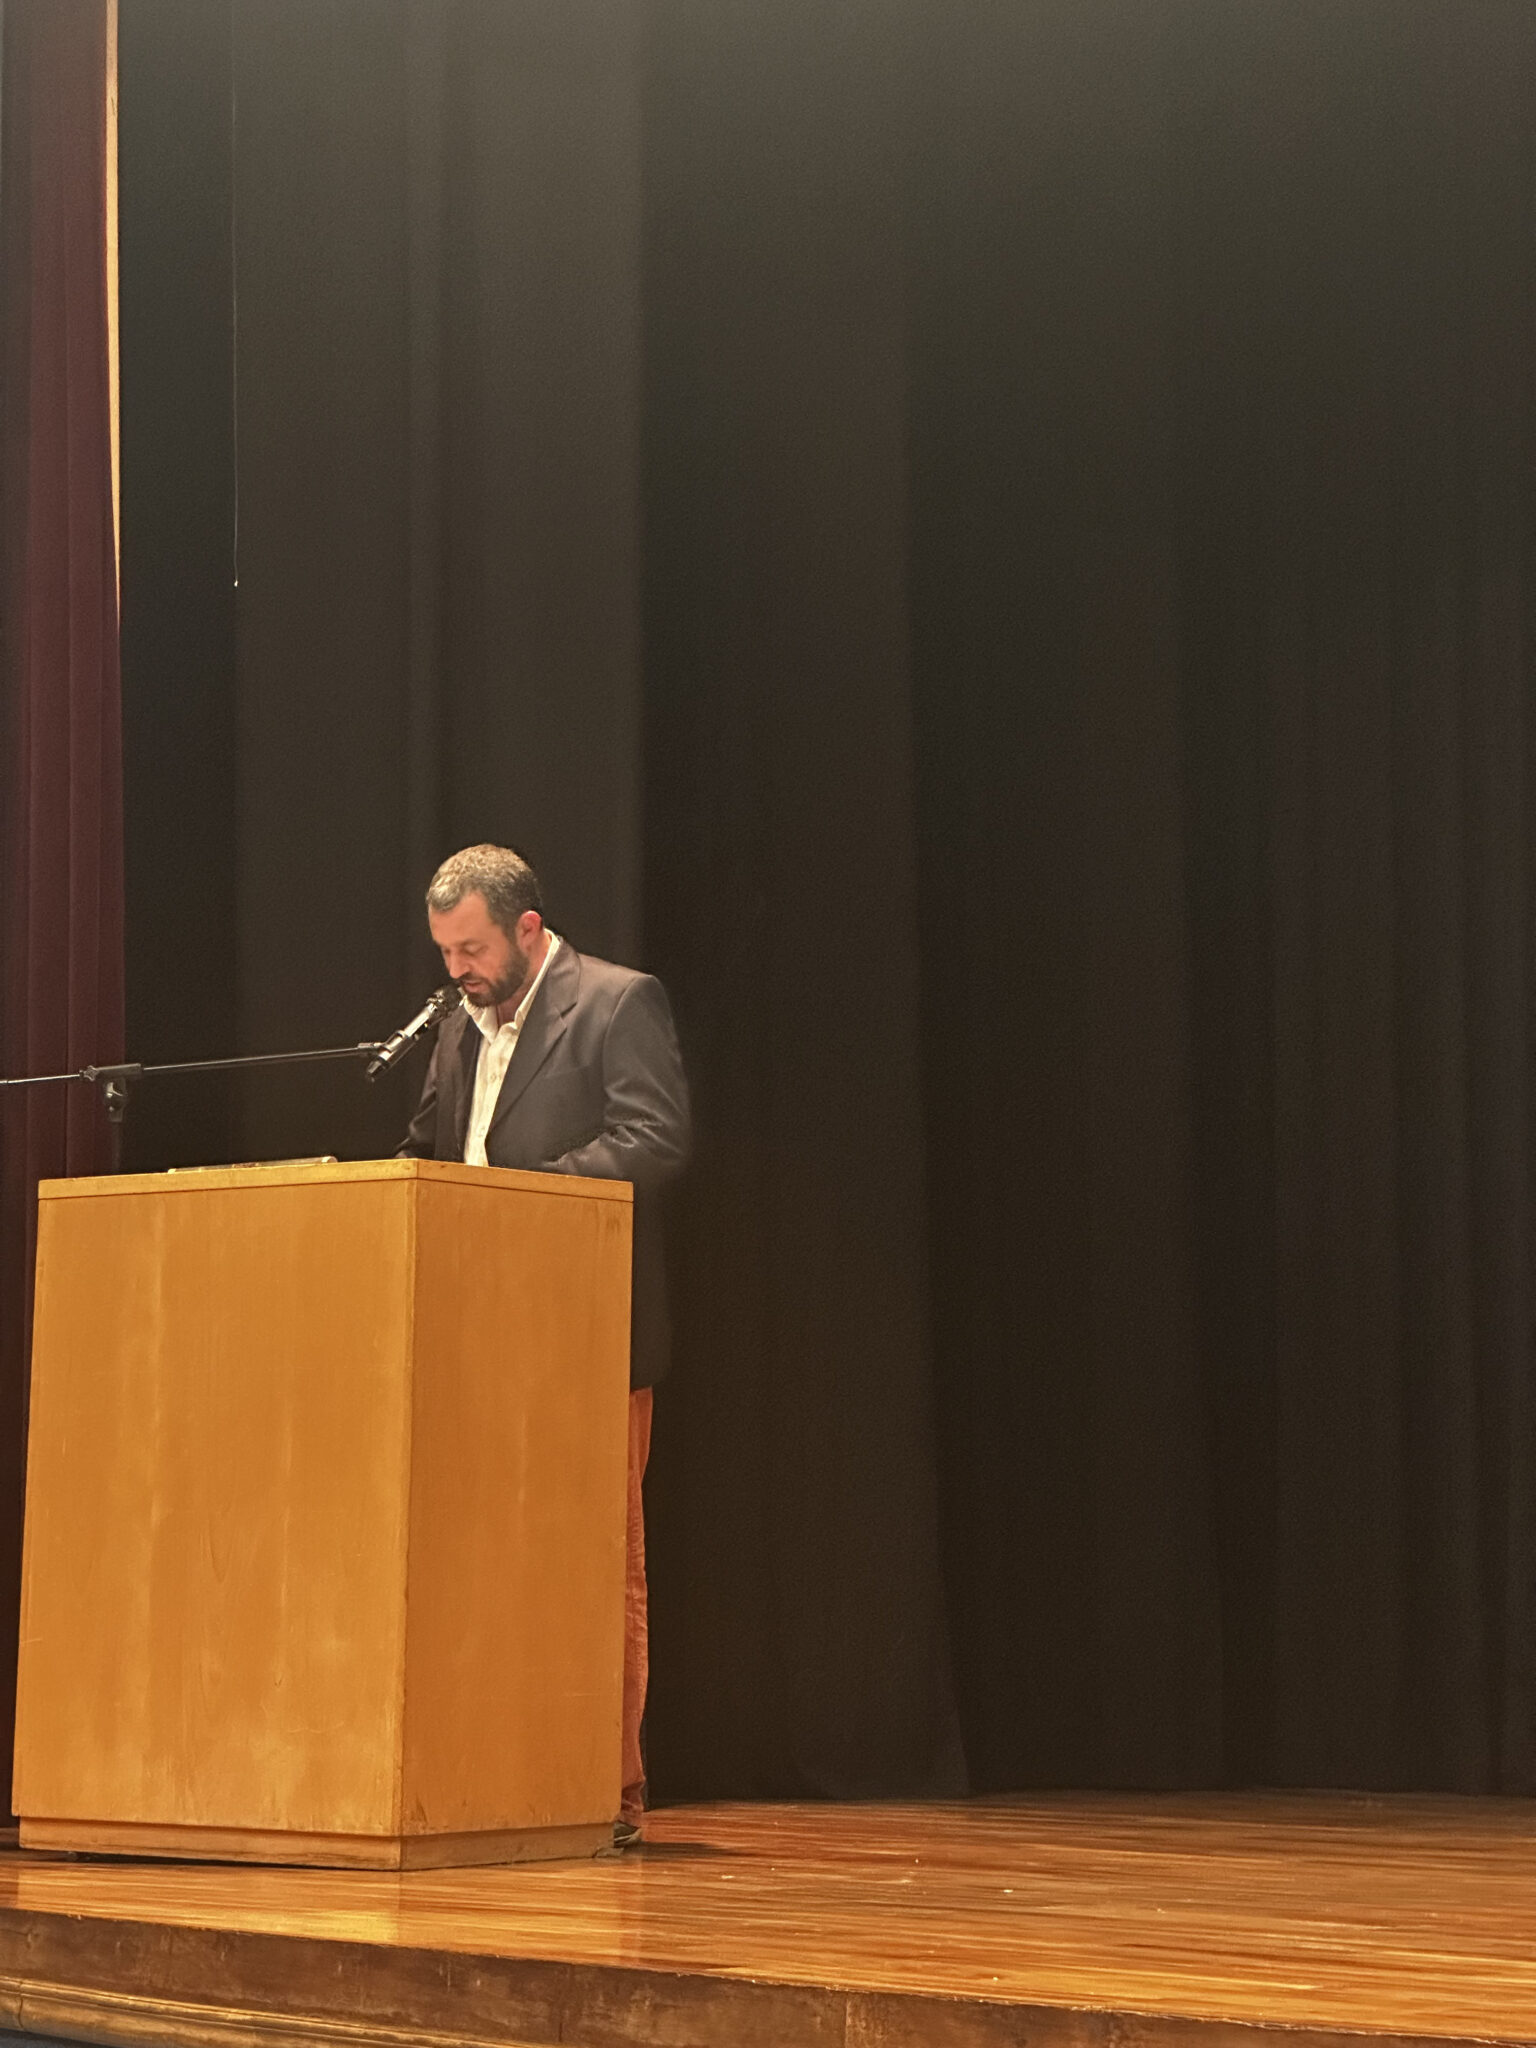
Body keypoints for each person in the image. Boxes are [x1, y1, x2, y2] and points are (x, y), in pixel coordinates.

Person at [398, 843, 690, 1844]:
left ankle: (608, 1790)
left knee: (598, 1565)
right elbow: (430, 1150)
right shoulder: (457, 1027)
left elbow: (654, 1136)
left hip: (584, 1329)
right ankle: (493, 1776)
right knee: (481, 1561)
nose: (458, 970)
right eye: (445, 952)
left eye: (472, 949)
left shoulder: (615, 1003)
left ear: (527, 927)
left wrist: (524, 1201)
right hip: (474, 1336)